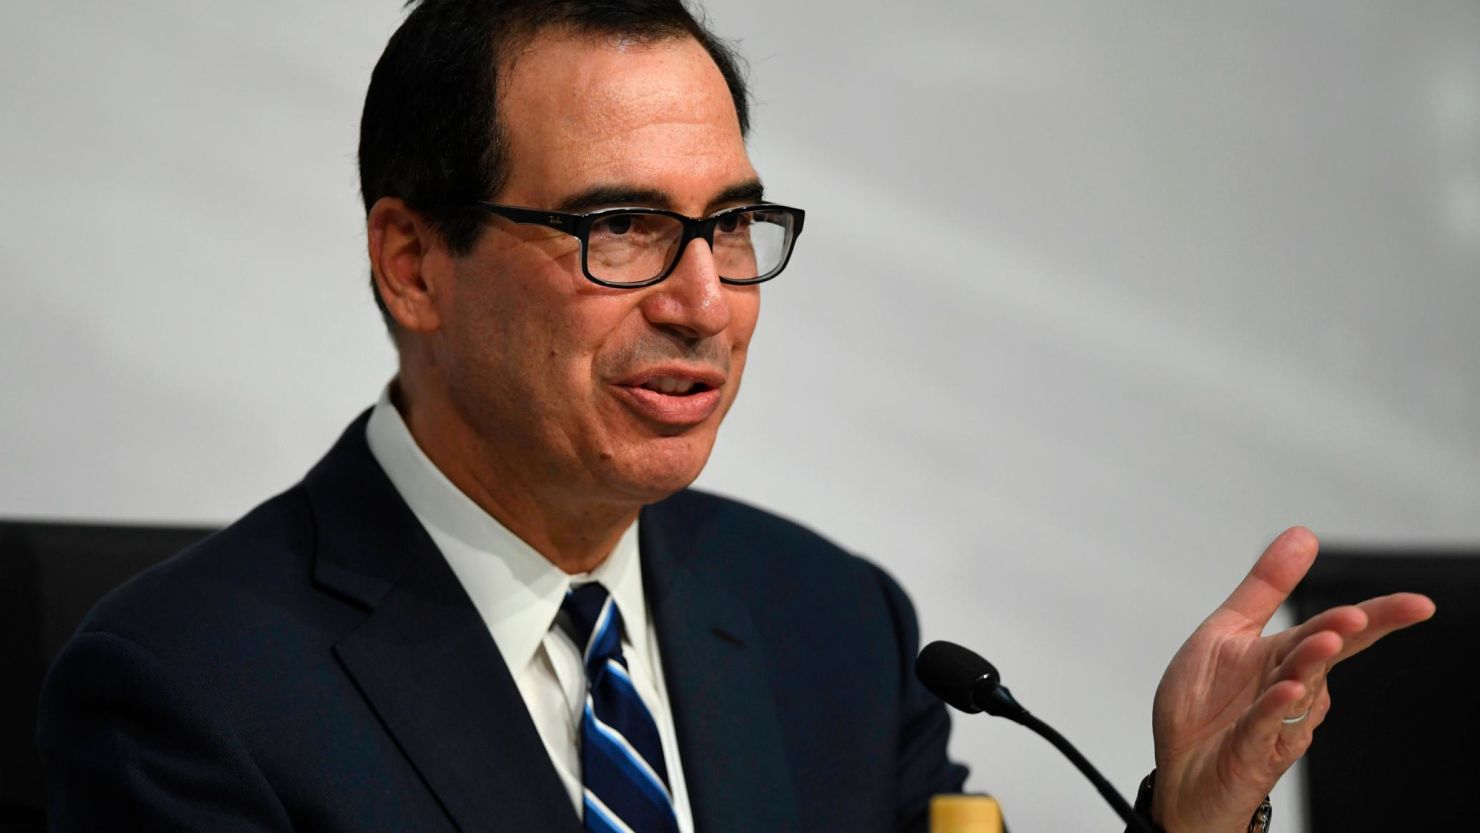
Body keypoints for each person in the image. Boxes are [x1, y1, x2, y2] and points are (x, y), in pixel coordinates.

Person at [38, 1, 1435, 832]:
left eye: (734, 224)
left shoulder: (831, 621)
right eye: (620, 228)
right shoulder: (188, 689)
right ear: (413, 262)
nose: (708, 302)